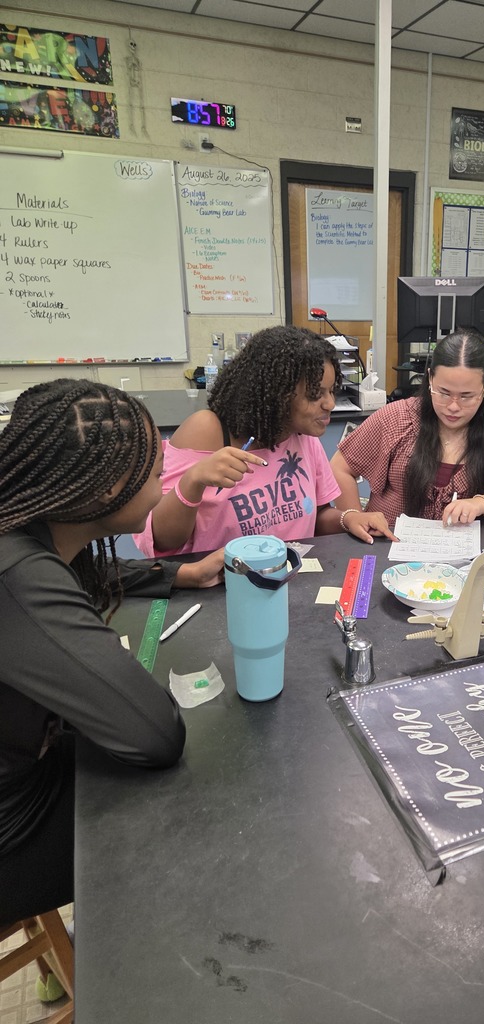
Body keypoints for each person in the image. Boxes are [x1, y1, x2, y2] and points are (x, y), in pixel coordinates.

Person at [0, 379, 224, 928]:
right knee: (198, 805)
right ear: (109, 489)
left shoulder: (24, 523)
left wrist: (178, 573)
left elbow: (88, 567)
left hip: (25, 757)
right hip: (13, 828)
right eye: (155, 473)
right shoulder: (17, 577)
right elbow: (155, 734)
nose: (162, 483)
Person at [133, 325, 386, 554]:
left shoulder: (304, 435)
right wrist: (193, 481)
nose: (329, 404)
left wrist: (348, 518)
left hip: (288, 576)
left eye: (331, 391)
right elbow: (164, 540)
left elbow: (317, 517)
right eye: (315, 394)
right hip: (219, 581)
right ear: (277, 393)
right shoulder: (207, 430)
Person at [330, 329, 484, 540]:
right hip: (389, 546)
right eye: (444, 393)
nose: (453, 407)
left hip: (467, 554)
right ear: (430, 378)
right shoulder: (396, 418)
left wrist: (480, 504)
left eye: (466, 396)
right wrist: (354, 518)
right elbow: (340, 468)